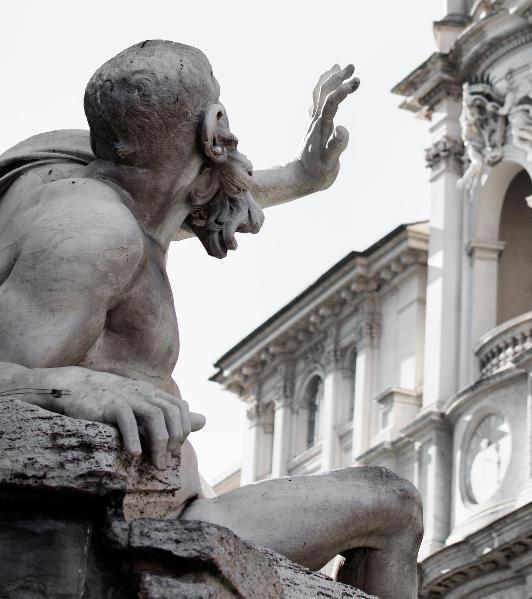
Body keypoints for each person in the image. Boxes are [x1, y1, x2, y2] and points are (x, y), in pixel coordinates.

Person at [0, 40, 422, 599]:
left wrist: (302, 174)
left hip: (172, 501)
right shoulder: (96, 236)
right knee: (392, 504)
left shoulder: (97, 168)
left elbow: (178, 196)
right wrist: (61, 386)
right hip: (156, 525)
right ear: (215, 125)